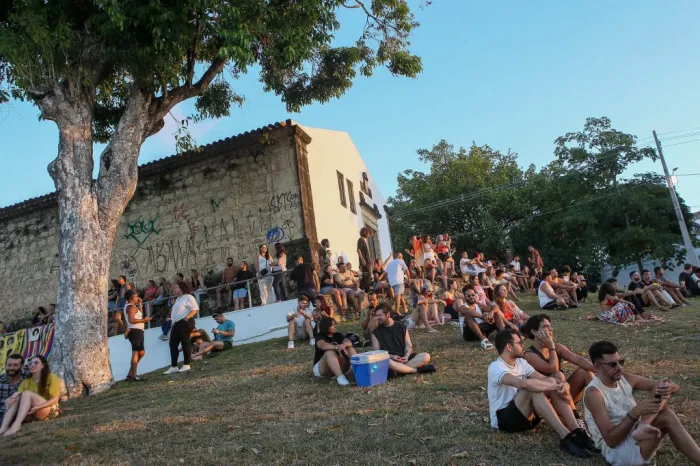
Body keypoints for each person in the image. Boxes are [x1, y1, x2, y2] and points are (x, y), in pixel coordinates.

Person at [583, 340, 700, 466]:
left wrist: (669, 387)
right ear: (597, 367)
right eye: (613, 364)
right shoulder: (594, 393)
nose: (619, 368)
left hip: (635, 433)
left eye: (620, 362)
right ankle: (643, 426)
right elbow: (611, 441)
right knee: (667, 415)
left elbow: (664, 385)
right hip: (617, 451)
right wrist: (635, 413)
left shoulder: (624, 378)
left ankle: (644, 425)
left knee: (661, 392)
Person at [487, 329, 596, 458]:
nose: (523, 345)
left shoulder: (521, 363)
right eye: (519, 343)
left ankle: (577, 432)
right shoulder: (496, 367)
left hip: (527, 416)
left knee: (551, 381)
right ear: (509, 347)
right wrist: (554, 385)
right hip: (505, 421)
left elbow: (543, 378)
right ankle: (565, 436)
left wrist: (563, 384)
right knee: (533, 389)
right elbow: (522, 384)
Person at [522, 314, 594, 408]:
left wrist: (599, 369)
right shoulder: (529, 355)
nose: (551, 329)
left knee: (585, 371)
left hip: (562, 393)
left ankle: (603, 406)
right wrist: (551, 347)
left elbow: (578, 359)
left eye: (550, 326)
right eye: (545, 327)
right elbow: (553, 368)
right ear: (535, 332)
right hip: (544, 401)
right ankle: (572, 412)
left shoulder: (557, 347)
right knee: (558, 375)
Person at [0, 356, 61, 437]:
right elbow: (16, 396)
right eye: (30, 363)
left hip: (48, 409)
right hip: (32, 412)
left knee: (27, 393)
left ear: (43, 365)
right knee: (15, 395)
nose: (32, 365)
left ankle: (16, 425)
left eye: (36, 363)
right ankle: (3, 428)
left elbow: (55, 399)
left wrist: (39, 407)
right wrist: (7, 400)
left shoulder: (51, 377)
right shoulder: (26, 381)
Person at [372, 303, 436, 376]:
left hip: (404, 359)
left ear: (388, 314)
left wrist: (406, 356)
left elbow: (408, 345)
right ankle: (417, 370)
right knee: (388, 362)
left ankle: (399, 370)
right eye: (377, 315)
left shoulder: (401, 326)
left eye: (380, 315)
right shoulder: (375, 333)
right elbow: (378, 354)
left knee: (426, 356)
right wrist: (392, 357)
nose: (377, 318)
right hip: (390, 361)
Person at [163, 281, 199, 375]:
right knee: (172, 344)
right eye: (173, 288)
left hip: (184, 322)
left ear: (182, 288)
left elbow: (195, 309)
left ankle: (187, 364)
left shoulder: (188, 297)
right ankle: (174, 366)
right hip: (176, 324)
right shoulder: (178, 299)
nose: (174, 290)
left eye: (176, 288)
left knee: (185, 342)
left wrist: (187, 317)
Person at [313, 317, 356, 386]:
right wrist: (337, 347)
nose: (335, 326)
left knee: (350, 348)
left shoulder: (337, 335)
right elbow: (322, 345)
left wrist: (344, 344)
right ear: (326, 326)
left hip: (339, 364)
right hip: (322, 368)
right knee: (330, 352)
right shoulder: (320, 336)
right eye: (333, 325)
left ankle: (358, 372)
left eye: (335, 324)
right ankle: (340, 377)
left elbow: (349, 342)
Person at [123, 290, 153, 382]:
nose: (138, 297)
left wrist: (140, 305)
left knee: (141, 353)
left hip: (138, 331)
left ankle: (130, 374)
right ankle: (134, 375)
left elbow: (139, 316)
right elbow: (132, 320)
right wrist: (144, 321)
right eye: (136, 296)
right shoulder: (131, 307)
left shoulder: (132, 306)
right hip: (135, 331)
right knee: (135, 352)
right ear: (132, 297)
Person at [0, 354, 29, 426]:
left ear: (22, 366)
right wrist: (4, 401)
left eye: (15, 365)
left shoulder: (28, 377)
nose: (11, 368)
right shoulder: (1, 379)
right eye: (9, 365)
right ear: (5, 365)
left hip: (21, 412)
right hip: (2, 411)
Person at [385, 252, 409, 316]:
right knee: (398, 295)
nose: (402, 258)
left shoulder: (389, 263)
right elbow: (406, 270)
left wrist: (388, 282)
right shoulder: (400, 261)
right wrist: (409, 279)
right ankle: (397, 311)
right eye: (401, 257)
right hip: (399, 281)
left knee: (401, 296)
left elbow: (386, 274)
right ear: (399, 257)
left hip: (392, 282)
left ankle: (405, 309)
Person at [357, 227, 372, 292]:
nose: (369, 235)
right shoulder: (360, 240)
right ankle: (364, 288)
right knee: (366, 275)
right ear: (364, 232)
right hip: (365, 261)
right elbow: (358, 250)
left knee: (368, 275)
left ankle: (366, 288)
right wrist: (362, 259)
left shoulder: (364, 240)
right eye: (368, 233)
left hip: (368, 261)